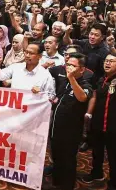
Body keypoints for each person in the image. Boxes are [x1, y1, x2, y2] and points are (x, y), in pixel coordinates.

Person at [47, 53, 93, 190]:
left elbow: (82, 98)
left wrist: (71, 78)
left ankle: (67, 186)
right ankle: (56, 183)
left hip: (70, 133)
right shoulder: (65, 83)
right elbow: (58, 99)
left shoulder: (85, 84)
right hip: (56, 128)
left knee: (67, 161)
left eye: (73, 65)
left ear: (82, 69)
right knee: (56, 158)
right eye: (68, 65)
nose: (69, 68)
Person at [82, 52, 116, 190]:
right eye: (106, 61)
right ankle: (96, 173)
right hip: (98, 123)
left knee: (113, 156)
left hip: (113, 126)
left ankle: (113, 182)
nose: (107, 63)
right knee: (97, 152)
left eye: (112, 61)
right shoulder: (101, 79)